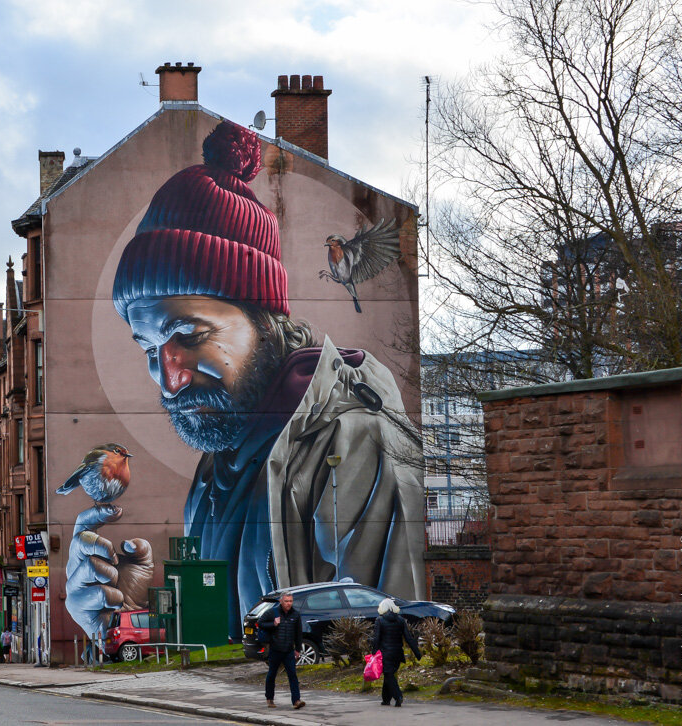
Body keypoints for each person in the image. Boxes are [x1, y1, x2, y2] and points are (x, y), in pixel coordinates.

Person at [64, 120, 425, 641]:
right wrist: (136, 614)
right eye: (148, 348)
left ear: (264, 318)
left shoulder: (355, 442)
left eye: (187, 333)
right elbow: (228, 647)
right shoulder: (223, 462)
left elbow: (388, 645)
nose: (170, 380)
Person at [370, 598, 422, 707]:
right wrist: (417, 653)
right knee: (389, 675)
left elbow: (376, 638)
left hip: (385, 653)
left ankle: (398, 696)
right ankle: (386, 700)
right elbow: (408, 638)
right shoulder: (401, 620)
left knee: (389, 675)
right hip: (398, 653)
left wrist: (374, 652)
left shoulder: (379, 620)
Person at [258, 592, 304, 709]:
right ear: (281, 601)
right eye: (286, 601)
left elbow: (298, 633)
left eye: (290, 601)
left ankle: (296, 700)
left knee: (292, 675)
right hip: (275, 649)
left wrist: (298, 649)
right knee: (272, 674)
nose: (289, 604)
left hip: (289, 650)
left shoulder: (295, 615)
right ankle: (269, 699)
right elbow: (261, 623)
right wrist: (273, 624)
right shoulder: (273, 613)